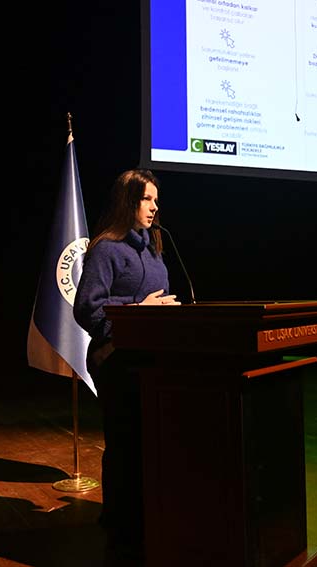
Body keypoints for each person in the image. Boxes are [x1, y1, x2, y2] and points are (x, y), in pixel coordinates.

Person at [73, 168, 181, 564]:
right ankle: (120, 523)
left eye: (156, 200)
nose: (154, 207)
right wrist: (139, 309)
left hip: (152, 361)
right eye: (147, 199)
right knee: (125, 443)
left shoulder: (154, 249)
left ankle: (147, 515)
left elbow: (158, 301)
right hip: (116, 361)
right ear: (128, 201)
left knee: (150, 443)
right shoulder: (106, 249)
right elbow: (87, 308)